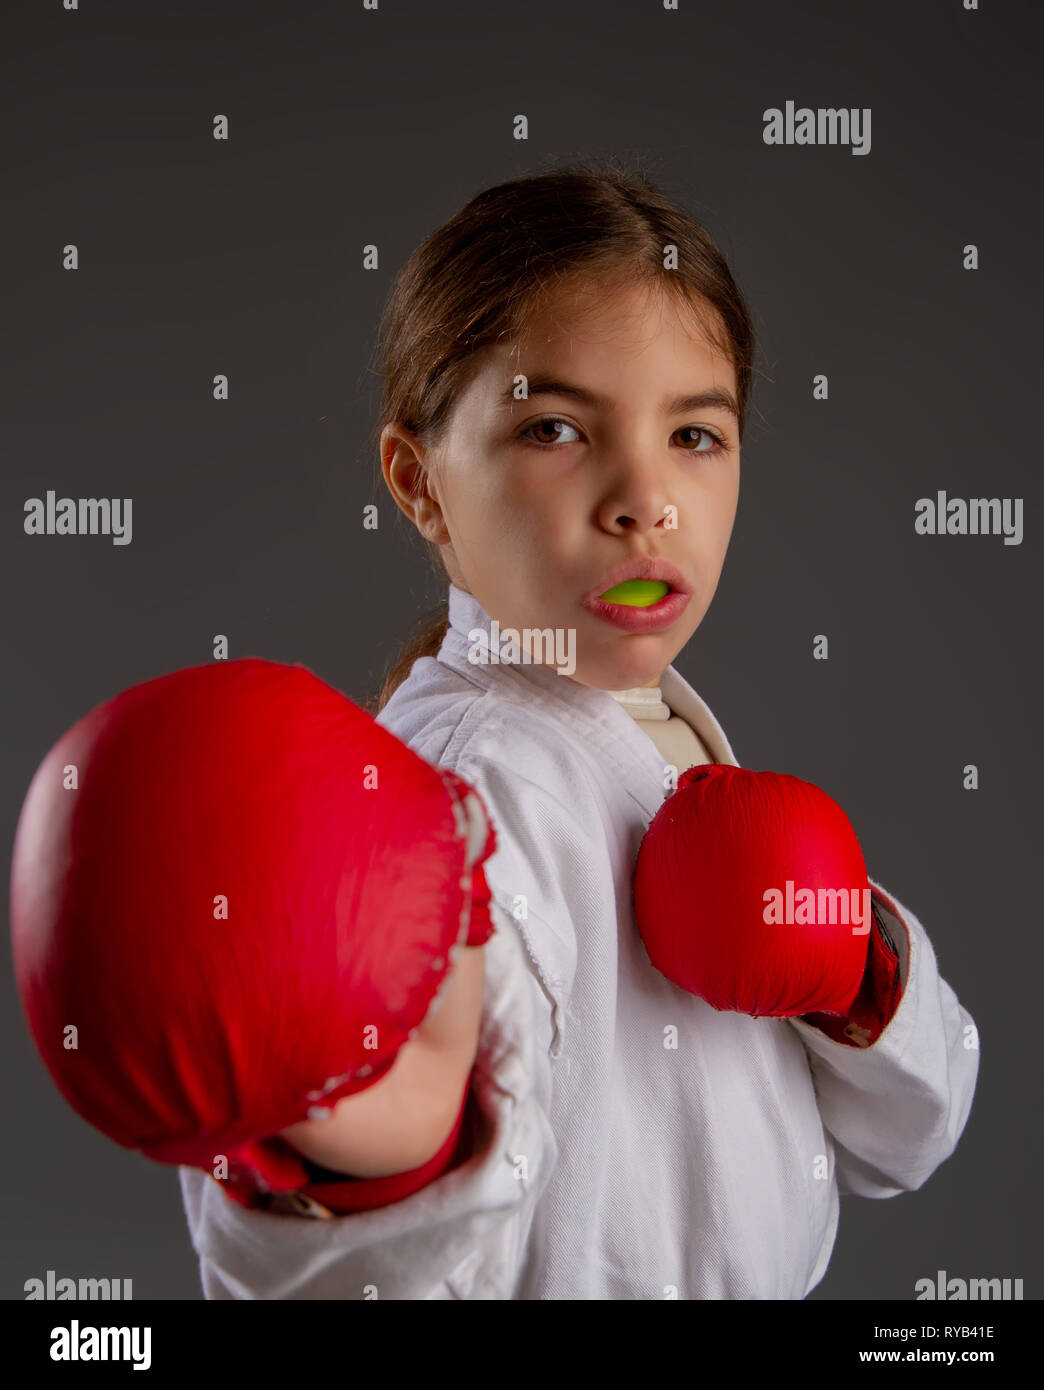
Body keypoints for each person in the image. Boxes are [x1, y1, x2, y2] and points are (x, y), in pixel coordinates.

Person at [178, 160, 980, 1299]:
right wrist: (365, 1156)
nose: (643, 498)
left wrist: (855, 972)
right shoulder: (449, 803)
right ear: (420, 486)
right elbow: (339, 1278)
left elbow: (902, 1139)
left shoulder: (664, 739)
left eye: (695, 436)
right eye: (555, 427)